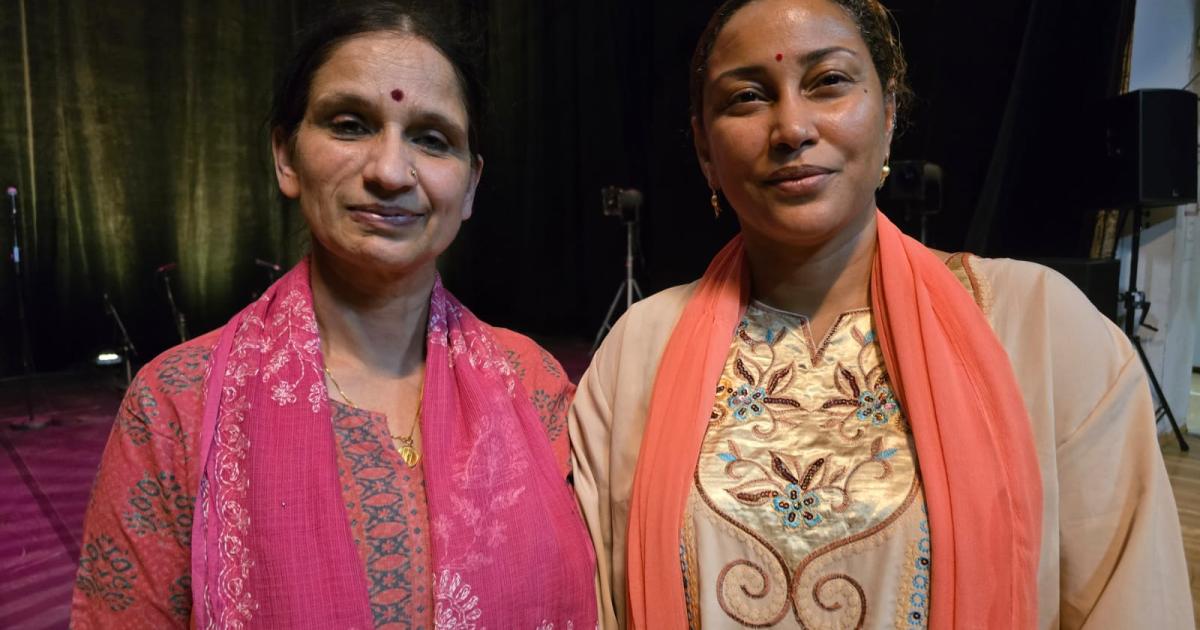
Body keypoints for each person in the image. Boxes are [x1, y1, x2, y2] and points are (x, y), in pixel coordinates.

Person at [568, 0, 1192, 628]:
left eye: (829, 82)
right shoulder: (639, 351)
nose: (792, 128)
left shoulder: (1041, 328)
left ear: (890, 114)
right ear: (705, 146)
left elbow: (1131, 599)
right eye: (748, 97)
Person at [71, 3, 597, 628]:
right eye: (350, 125)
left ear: (471, 186)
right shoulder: (177, 405)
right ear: (286, 157)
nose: (389, 172)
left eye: (432, 139)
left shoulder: (532, 385)